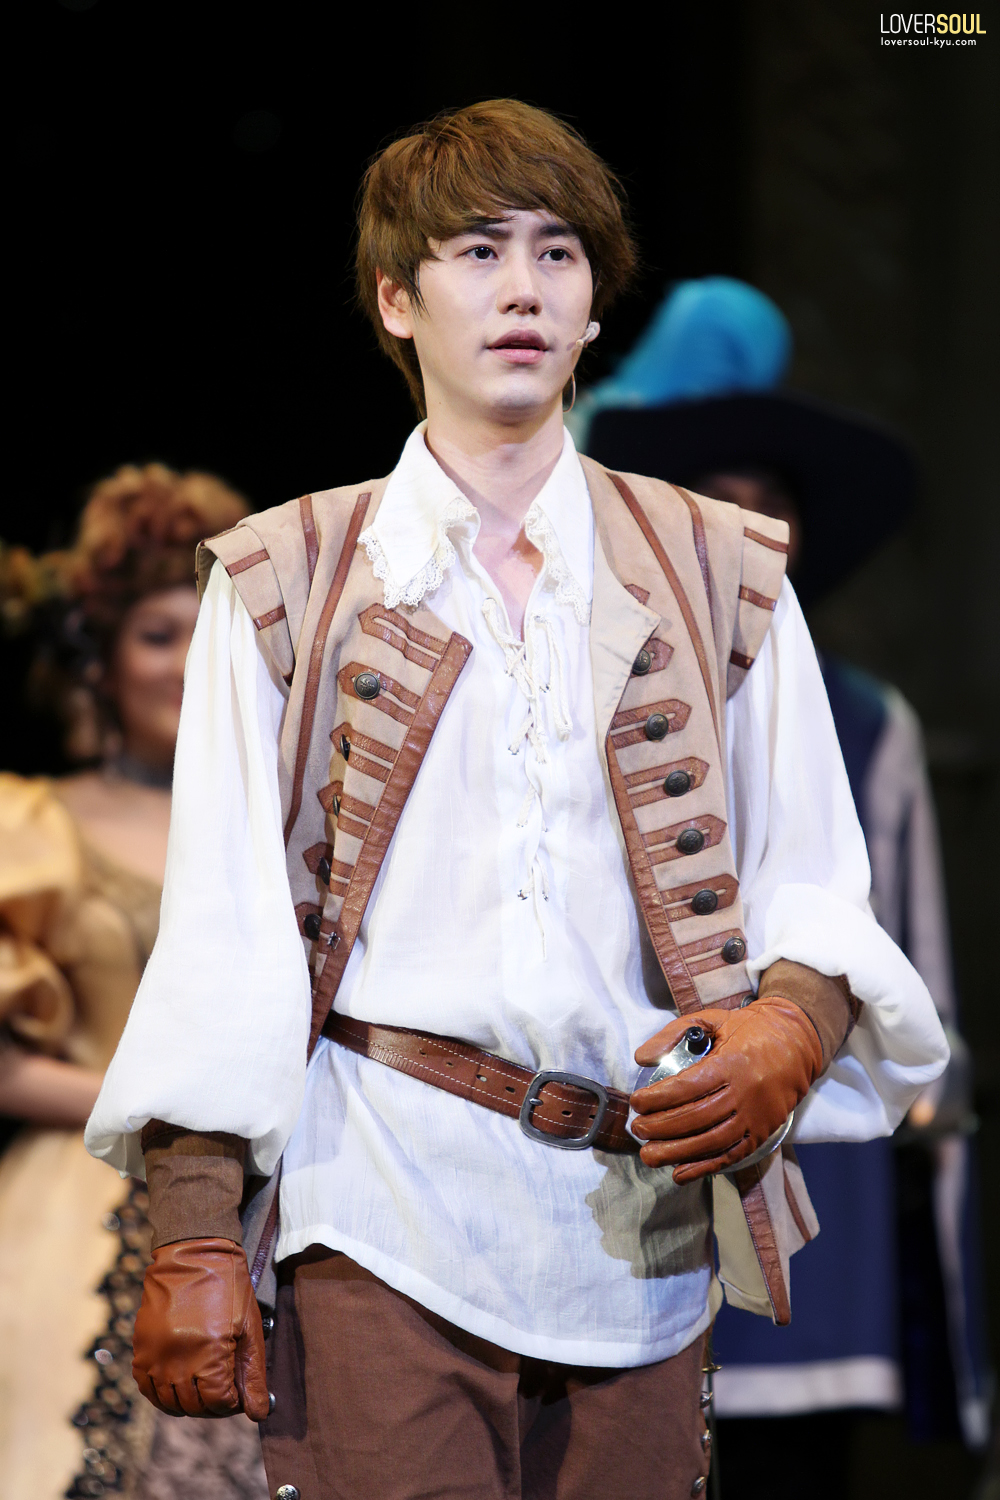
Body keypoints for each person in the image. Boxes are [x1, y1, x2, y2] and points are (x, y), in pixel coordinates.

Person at [84, 102, 948, 1500]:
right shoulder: (284, 577)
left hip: (637, 1221)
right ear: (396, 298)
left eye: (558, 253)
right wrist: (193, 1226)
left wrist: (795, 1020)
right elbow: (229, 929)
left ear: (596, 305)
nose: (524, 288)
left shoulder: (720, 569)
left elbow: (811, 878)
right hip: (381, 1194)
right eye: (478, 251)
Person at [586, 278, 989, 1495]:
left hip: (807, 1150)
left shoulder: (865, 720)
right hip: (623, 1139)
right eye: (717, 499)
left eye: (769, 505)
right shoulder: (582, 688)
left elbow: (906, 952)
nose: (743, 527)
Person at [0, 464, 269, 1499]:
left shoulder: (283, 823)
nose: (188, 663)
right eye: (159, 635)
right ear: (101, 661)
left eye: (209, 635)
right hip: (79, 1208)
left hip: (269, 1203)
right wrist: (166, 1112)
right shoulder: (33, 825)